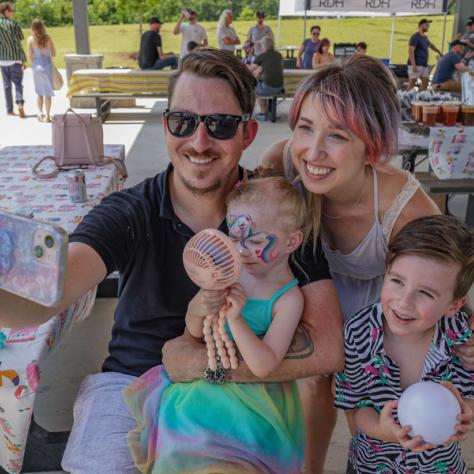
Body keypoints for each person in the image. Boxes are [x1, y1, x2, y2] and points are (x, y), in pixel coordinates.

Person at [0, 48, 343, 472]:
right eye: (184, 121)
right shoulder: (130, 212)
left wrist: (196, 365)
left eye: (220, 125)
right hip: (129, 383)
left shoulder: (277, 219)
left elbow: (328, 349)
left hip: (241, 397)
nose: (199, 142)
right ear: (166, 126)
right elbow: (48, 291)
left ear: (248, 133)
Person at [261, 54, 444, 473]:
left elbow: (443, 280)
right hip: (312, 287)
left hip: (380, 294)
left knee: (371, 393)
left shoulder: (407, 208)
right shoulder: (282, 163)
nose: (313, 151)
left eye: (338, 136)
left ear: (372, 148)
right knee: (314, 379)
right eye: (305, 127)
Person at [124, 176, 308, 473]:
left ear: (292, 241)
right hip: (202, 392)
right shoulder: (227, 272)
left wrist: (236, 319)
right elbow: (194, 332)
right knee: (183, 452)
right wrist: (197, 308)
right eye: (235, 238)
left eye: (257, 240)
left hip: (253, 405)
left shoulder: (288, 299)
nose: (242, 250)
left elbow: (265, 364)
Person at [335, 215, 474, 473]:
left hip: (439, 467)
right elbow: (356, 406)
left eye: (426, 293)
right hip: (371, 466)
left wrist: (466, 414)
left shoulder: (462, 341)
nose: (404, 301)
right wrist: (381, 430)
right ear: (385, 273)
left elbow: (469, 397)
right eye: (397, 281)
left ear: (455, 305)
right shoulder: (357, 332)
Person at [0, 1, 26, 118]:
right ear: (6, 12)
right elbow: (19, 43)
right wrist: (23, 60)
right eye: (12, 10)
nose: (13, 13)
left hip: (3, 60)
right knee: (18, 84)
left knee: (6, 85)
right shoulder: (14, 24)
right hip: (15, 59)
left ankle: (10, 110)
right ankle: (20, 103)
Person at [248, 36, 284, 120]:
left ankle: (263, 112)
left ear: (263, 46)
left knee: (254, 88)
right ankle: (270, 111)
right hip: (280, 88)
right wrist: (261, 68)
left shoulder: (262, 56)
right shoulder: (279, 55)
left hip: (268, 87)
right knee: (263, 84)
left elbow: (250, 69)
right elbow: (271, 66)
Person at [27, 19, 56, 122]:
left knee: (39, 93)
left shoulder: (30, 39)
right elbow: (54, 53)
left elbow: (30, 57)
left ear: (33, 28)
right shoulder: (47, 38)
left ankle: (40, 113)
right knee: (48, 93)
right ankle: (48, 116)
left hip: (36, 67)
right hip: (47, 66)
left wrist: (34, 64)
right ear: (42, 27)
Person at [407, 18, 442, 91]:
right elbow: (411, 51)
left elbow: (430, 45)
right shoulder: (415, 37)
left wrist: (438, 51)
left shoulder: (425, 37)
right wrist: (413, 65)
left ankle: (421, 97)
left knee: (426, 81)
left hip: (424, 65)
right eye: (426, 25)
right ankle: (406, 98)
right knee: (412, 82)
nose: (428, 26)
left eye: (428, 25)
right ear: (420, 26)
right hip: (416, 64)